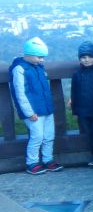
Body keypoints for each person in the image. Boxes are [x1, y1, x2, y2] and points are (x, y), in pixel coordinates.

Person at [9, 37, 63, 174]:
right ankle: (32, 162)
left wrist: (49, 106)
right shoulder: (19, 69)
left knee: (49, 136)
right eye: (39, 57)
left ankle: (47, 159)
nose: (42, 60)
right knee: (37, 137)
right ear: (29, 54)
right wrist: (29, 112)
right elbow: (20, 93)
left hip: (46, 108)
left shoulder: (38, 67)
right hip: (33, 112)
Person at [70, 41, 93, 168]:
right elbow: (74, 93)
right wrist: (75, 110)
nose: (86, 60)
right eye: (83, 57)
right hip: (83, 110)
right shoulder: (77, 74)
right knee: (89, 135)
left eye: (90, 57)